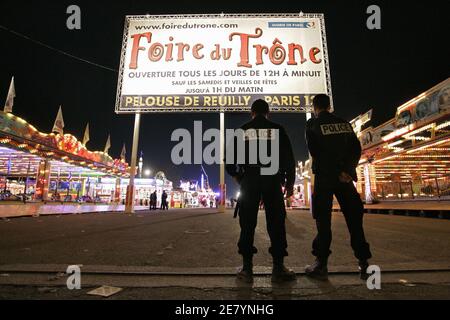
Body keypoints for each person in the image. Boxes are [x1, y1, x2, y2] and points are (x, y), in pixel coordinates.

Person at [226, 99, 296, 283]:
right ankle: (278, 268)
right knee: (276, 224)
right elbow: (289, 158)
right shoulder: (278, 129)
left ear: (252, 113)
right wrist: (289, 184)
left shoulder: (242, 130)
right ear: (268, 113)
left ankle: (247, 269)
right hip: (272, 180)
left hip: (250, 180)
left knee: (247, 224)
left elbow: (229, 159)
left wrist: (239, 178)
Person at [305, 94, 372, 280]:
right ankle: (364, 264)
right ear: (329, 106)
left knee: (323, 221)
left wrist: (335, 171)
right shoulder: (344, 124)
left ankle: (321, 264)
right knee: (354, 220)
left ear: (315, 107)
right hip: (345, 179)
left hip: (325, 178)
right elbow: (356, 149)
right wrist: (347, 170)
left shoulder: (312, 125)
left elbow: (316, 151)